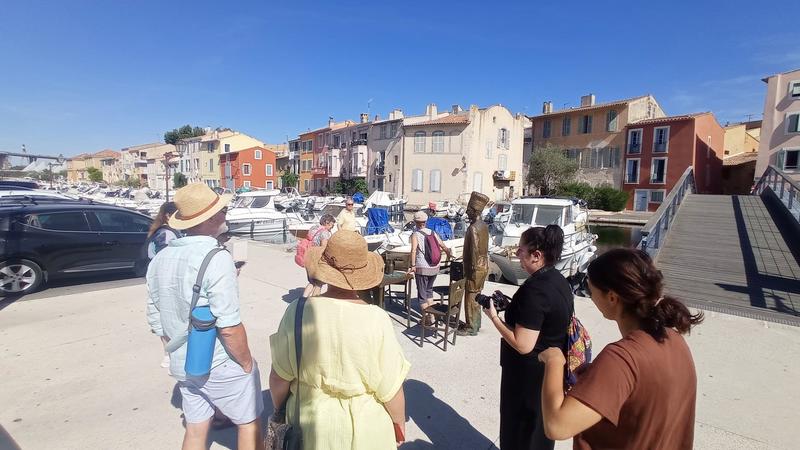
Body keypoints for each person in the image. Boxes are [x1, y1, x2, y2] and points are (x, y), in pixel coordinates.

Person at [537, 248, 703, 449]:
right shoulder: (673, 339)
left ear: (612, 298)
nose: (589, 295)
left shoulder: (620, 358)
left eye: (591, 290)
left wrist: (554, 360)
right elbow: (646, 397)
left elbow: (557, 426)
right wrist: (598, 379)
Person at [146, 183, 264, 450]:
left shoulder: (160, 258)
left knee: (197, 428)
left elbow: (155, 317)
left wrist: (173, 350)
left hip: (183, 361)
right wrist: (246, 364)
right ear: (211, 218)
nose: (226, 215)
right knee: (248, 423)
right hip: (218, 360)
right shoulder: (216, 257)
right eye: (223, 210)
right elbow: (229, 325)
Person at [269, 231, 410, 449]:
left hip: (308, 429)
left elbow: (279, 378)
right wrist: (398, 424)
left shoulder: (297, 311)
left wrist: (279, 411)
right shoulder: (376, 319)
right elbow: (391, 390)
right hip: (365, 431)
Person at [482, 225, 573, 450]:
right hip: (548, 373)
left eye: (521, 250)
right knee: (538, 432)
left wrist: (494, 317)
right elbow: (541, 320)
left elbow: (523, 345)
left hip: (527, 376)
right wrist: (513, 305)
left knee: (520, 430)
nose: (516, 254)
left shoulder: (536, 291)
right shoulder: (557, 280)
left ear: (537, 255)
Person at [409, 211, 451, 326]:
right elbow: (442, 246)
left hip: (422, 268)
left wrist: (413, 266)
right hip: (434, 267)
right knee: (429, 291)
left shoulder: (415, 234)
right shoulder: (433, 232)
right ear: (426, 222)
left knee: (422, 296)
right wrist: (448, 253)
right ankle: (432, 315)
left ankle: (427, 319)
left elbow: (413, 250)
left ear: (415, 222)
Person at [459, 191, 490, 336]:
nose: (467, 212)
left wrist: (469, 268)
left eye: (469, 210)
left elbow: (474, 250)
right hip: (483, 266)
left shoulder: (473, 228)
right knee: (477, 296)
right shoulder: (484, 226)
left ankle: (471, 326)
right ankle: (476, 323)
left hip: (474, 268)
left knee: (470, 297)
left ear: (475, 211)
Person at [302, 213, 336, 297]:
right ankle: (314, 303)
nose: (332, 227)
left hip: (309, 256)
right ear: (327, 222)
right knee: (319, 283)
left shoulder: (314, 228)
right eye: (332, 225)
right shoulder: (324, 232)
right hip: (317, 259)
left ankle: (303, 299)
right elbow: (323, 248)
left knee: (312, 282)